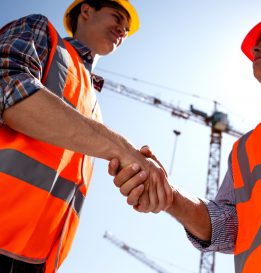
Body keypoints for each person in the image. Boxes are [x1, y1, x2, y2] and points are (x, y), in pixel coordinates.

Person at [108, 19, 261, 273]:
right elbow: (230, 229)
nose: (255, 49)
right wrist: (171, 197)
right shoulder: (245, 149)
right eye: (256, 46)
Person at [0, 1, 173, 272]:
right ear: (86, 11)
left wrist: (139, 181)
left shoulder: (92, 103)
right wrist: (122, 149)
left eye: (126, 30)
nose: (122, 31)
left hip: (33, 260)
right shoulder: (42, 32)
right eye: (117, 17)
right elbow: (11, 93)